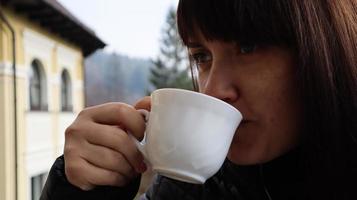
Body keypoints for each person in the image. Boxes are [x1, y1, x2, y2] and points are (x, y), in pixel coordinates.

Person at [40, 0, 357, 199]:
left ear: (323, 46)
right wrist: (82, 190)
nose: (212, 89)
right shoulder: (196, 184)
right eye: (202, 56)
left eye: (248, 47)